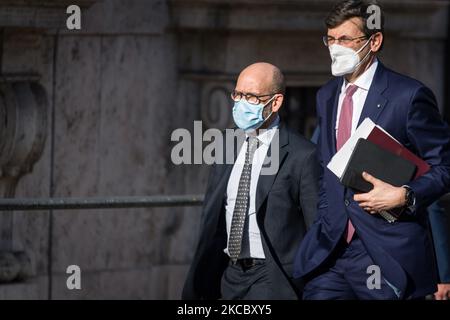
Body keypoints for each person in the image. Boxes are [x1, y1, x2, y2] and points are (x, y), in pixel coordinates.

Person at [294, 0, 450, 300]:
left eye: (345, 39)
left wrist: (404, 195)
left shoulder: (409, 96)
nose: (335, 47)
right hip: (330, 252)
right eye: (330, 39)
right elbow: (327, 166)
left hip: (384, 252)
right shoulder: (326, 95)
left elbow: (443, 167)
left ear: (374, 41)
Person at [182, 62, 319, 299]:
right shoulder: (227, 144)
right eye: (238, 94)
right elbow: (214, 213)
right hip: (229, 272)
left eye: (252, 97)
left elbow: (316, 227)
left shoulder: (302, 155)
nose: (241, 103)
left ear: (275, 103)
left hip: (273, 276)